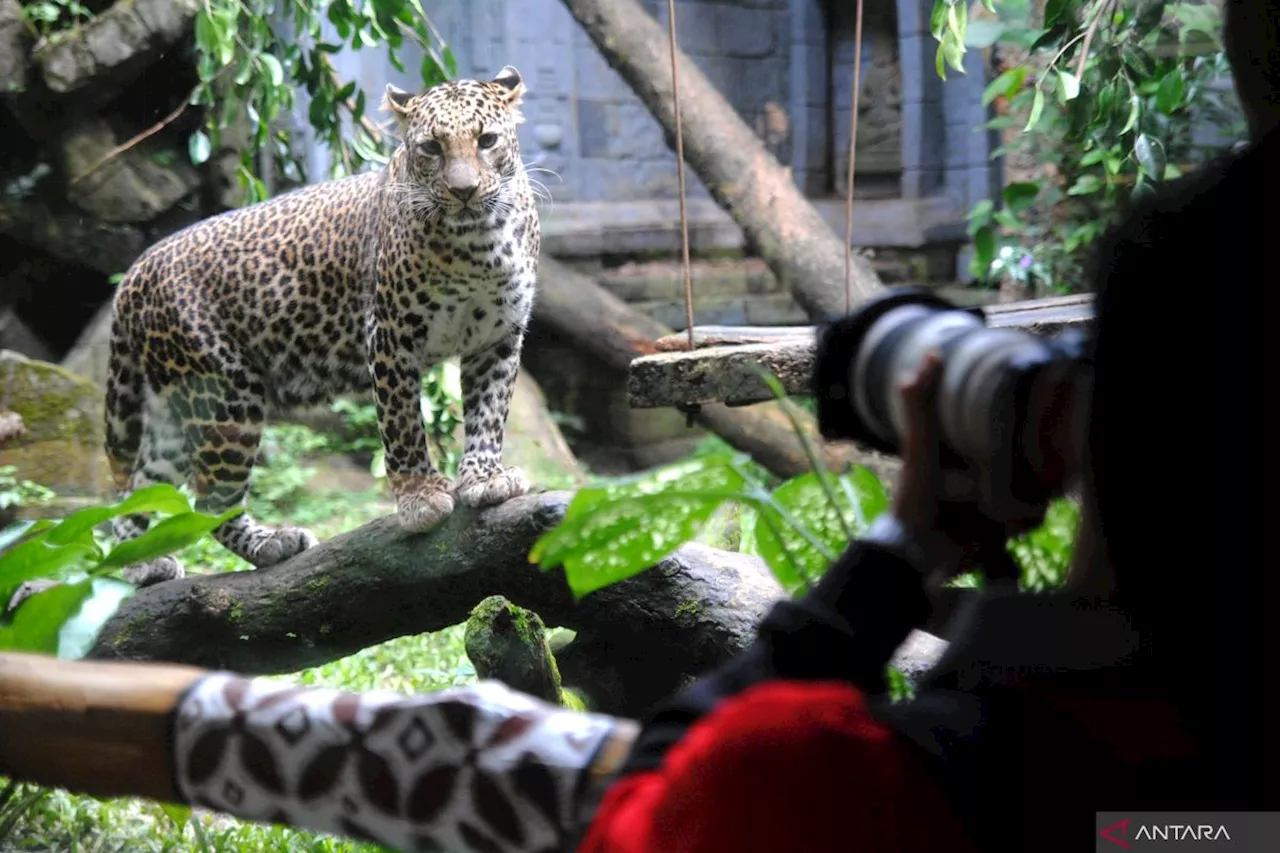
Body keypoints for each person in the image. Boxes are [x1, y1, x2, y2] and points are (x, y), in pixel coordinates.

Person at [2, 1, 1277, 849]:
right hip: (208, 294)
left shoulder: (879, 782)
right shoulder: (1188, 810)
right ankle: (197, 522)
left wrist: (897, 559)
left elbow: (670, 783)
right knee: (200, 444)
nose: (465, 169)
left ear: (1063, 430)